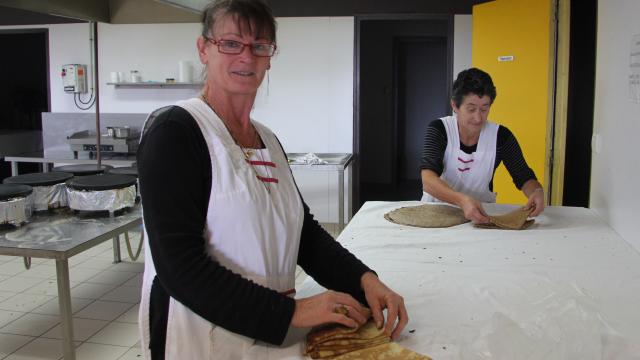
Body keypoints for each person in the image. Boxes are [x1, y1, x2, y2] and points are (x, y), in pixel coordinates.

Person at [137, 0, 407, 358]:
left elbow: (303, 235)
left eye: (260, 46)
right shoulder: (176, 132)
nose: (246, 57)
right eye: (230, 43)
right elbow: (179, 267)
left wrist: (364, 280)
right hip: (199, 338)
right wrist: (296, 312)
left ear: (269, 57)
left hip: (268, 333)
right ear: (204, 49)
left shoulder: (268, 139)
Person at [420, 67, 545, 223]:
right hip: (436, 211)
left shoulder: (501, 136)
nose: (478, 118)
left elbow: (523, 176)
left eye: (484, 109)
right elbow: (428, 180)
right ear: (455, 105)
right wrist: (462, 201)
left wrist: (537, 191)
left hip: (480, 215)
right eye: (471, 109)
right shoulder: (439, 129)